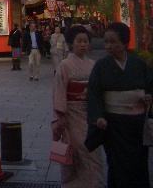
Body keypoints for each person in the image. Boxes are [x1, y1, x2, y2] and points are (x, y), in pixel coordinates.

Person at [87, 22, 153, 188]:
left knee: (139, 164)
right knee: (117, 164)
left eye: (113, 42)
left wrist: (149, 97)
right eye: (106, 42)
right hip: (114, 124)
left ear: (124, 43)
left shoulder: (139, 64)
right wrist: (98, 116)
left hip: (136, 124)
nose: (108, 46)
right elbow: (94, 93)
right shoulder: (101, 66)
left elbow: (150, 86)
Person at [52, 25, 103, 188]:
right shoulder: (64, 66)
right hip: (71, 115)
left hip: (90, 113)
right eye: (79, 41)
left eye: (85, 41)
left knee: (93, 152)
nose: (82, 44)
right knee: (76, 150)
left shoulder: (93, 65)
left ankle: (94, 183)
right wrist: (60, 116)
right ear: (71, 43)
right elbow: (59, 92)